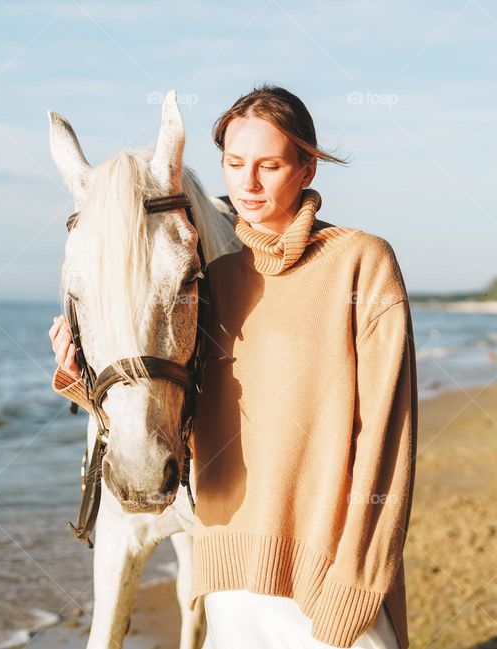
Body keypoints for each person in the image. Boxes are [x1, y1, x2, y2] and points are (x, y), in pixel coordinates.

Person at [48, 84, 417, 649]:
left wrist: (356, 585)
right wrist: (83, 382)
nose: (247, 183)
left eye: (269, 164)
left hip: (326, 587)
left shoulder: (361, 264)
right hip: (229, 589)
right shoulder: (208, 285)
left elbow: (388, 447)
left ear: (308, 168)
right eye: (234, 163)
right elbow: (187, 425)